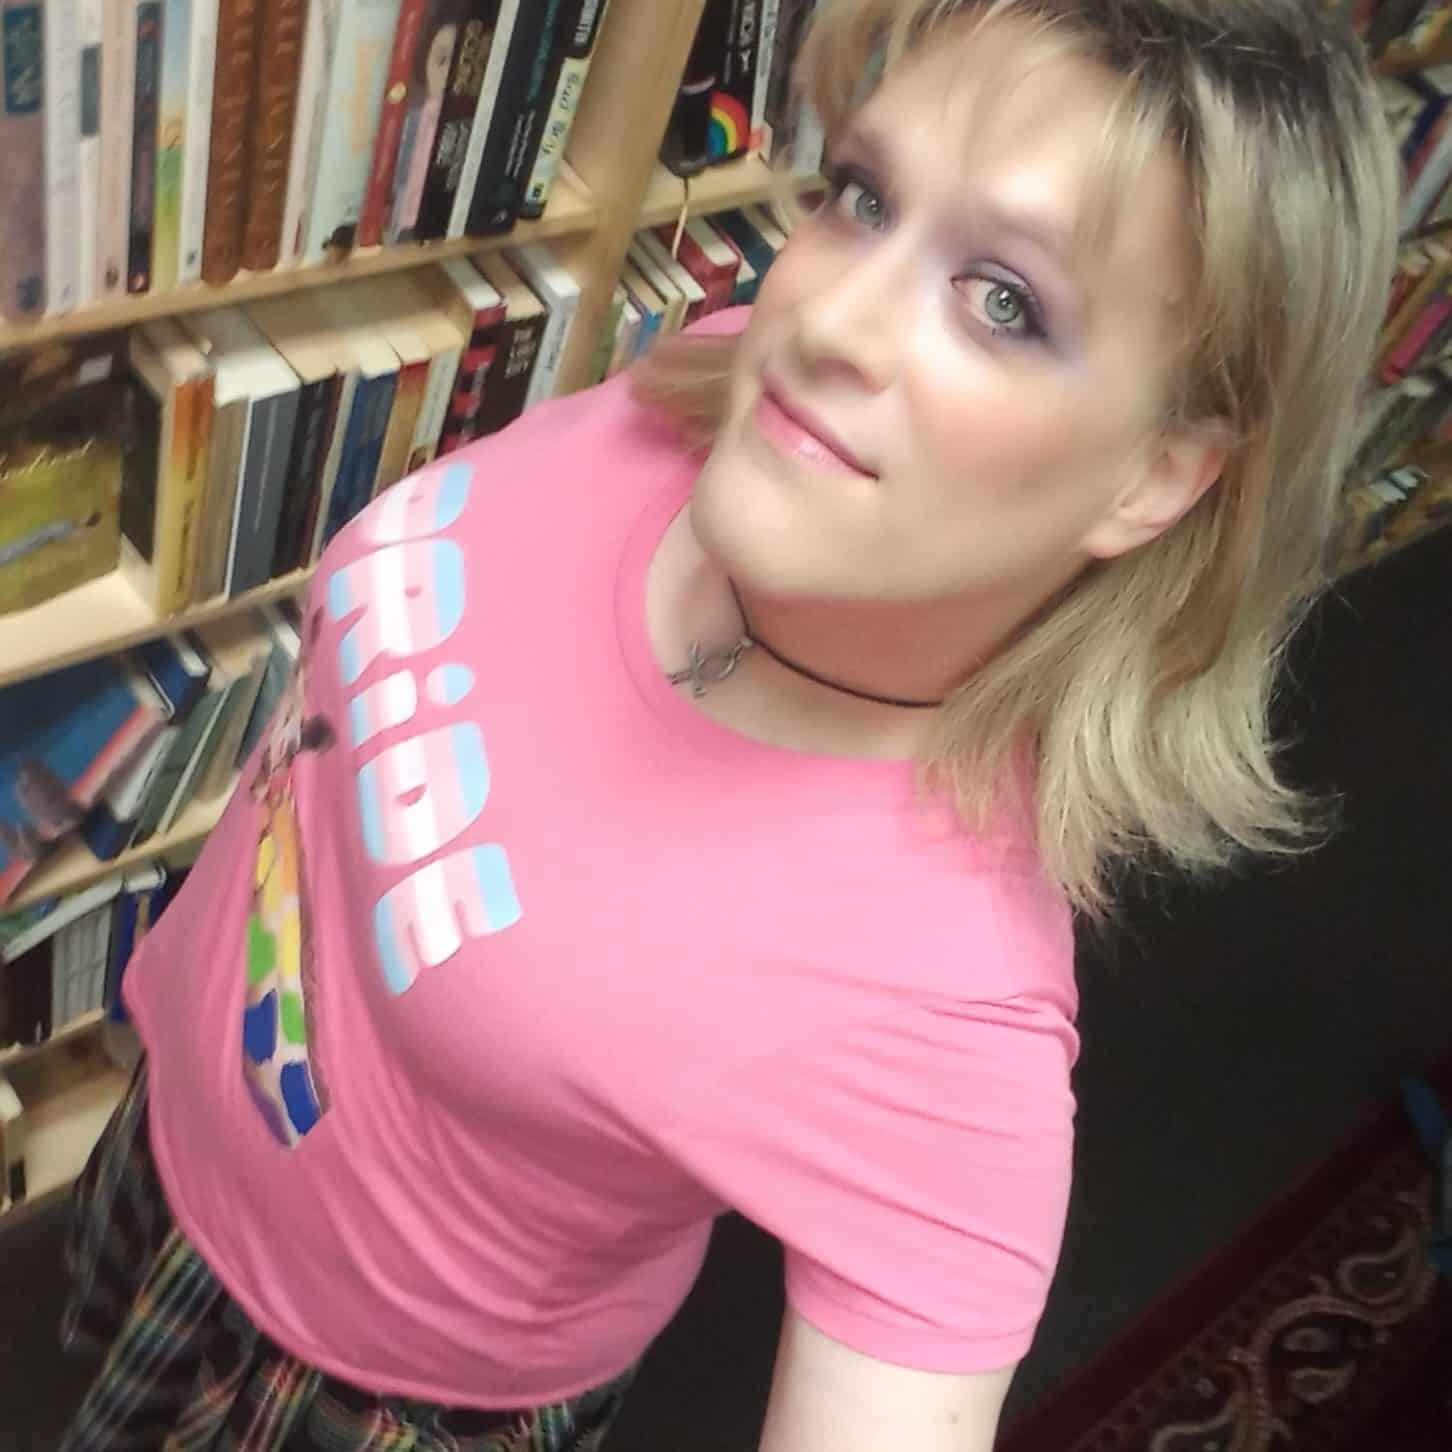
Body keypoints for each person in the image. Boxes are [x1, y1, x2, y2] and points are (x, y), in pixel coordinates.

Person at [58, 1, 1397, 1448]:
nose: (824, 319)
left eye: (1004, 300)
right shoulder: (739, 388)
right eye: (864, 197)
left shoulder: (944, 1010)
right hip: (177, 1134)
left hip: (346, 1378)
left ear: (1157, 476)